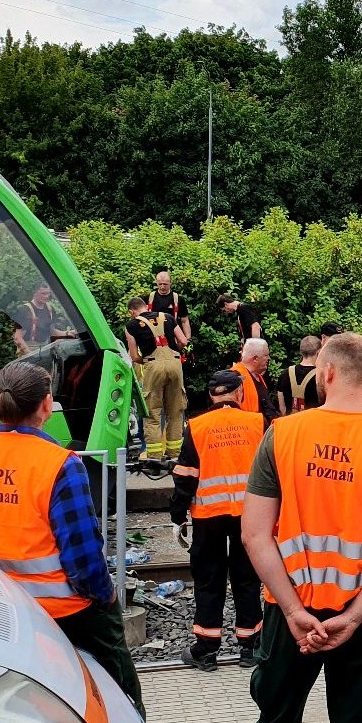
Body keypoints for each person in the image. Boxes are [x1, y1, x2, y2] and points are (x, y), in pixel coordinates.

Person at [240, 332, 362, 723]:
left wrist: (291, 610)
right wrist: (355, 617)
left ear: (326, 372)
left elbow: (254, 535)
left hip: (292, 609)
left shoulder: (281, 434)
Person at [0, 360, 144, 714]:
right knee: (119, 698)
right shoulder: (60, 464)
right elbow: (82, 557)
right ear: (46, 405)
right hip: (64, 613)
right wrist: (106, 597)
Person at [172, 370, 266, 672]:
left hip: (208, 518)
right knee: (248, 578)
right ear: (239, 394)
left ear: (211, 396)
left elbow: (185, 476)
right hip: (248, 516)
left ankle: (207, 650)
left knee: (209, 581)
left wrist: (178, 515)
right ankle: (250, 647)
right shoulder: (257, 423)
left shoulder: (196, 426)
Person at [125, 297, 187, 460]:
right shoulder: (168, 317)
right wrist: (174, 353)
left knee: (152, 412)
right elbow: (183, 340)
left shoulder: (131, 326)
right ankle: (174, 453)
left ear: (132, 312)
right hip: (175, 364)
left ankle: (154, 454)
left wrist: (145, 360)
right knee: (175, 410)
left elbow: (133, 355)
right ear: (146, 307)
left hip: (153, 366)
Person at [13, 282, 75, 355]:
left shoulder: (50, 309)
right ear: (35, 293)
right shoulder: (24, 310)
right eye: (43, 293)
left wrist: (67, 333)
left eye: (48, 293)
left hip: (45, 348)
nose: (46, 296)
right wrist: (29, 354)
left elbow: (52, 331)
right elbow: (18, 338)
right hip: (28, 348)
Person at [232, 338, 279, 422]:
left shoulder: (257, 375)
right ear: (255, 359)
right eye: (266, 355)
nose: (269, 358)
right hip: (250, 430)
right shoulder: (236, 377)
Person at [274, 335, 323, 415]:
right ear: (318, 352)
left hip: (290, 423)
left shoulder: (285, 373)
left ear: (301, 351)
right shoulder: (320, 376)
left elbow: (282, 407)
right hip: (313, 424)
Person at [150, 268, 193, 348]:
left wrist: (188, 339)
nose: (162, 287)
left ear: (170, 283)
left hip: (173, 337)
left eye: (165, 284)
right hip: (153, 337)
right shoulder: (149, 298)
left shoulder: (178, 299)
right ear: (156, 283)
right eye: (160, 284)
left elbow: (184, 321)